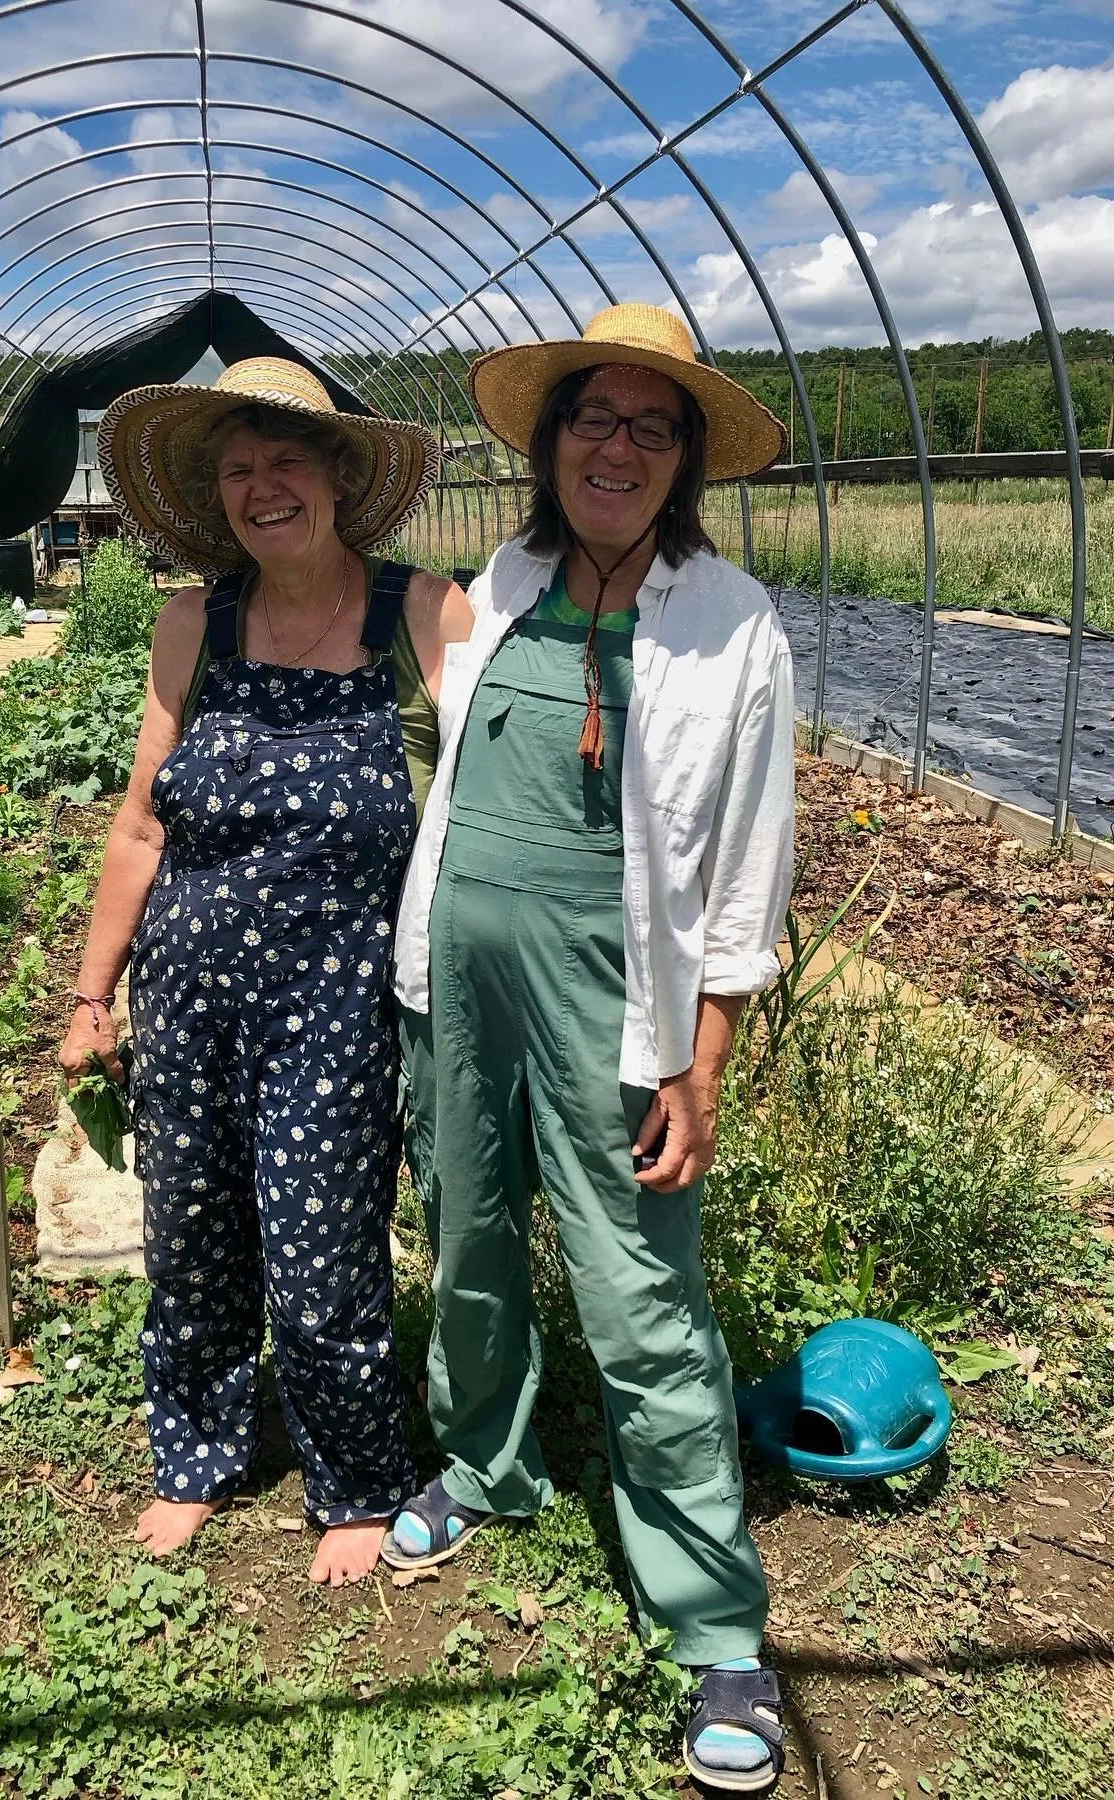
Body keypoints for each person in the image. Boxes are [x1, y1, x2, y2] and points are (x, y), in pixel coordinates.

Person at [386, 304, 795, 1788]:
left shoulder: (729, 619)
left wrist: (704, 1056)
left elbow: (746, 865)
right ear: (548, 441)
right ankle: (486, 1467)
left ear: (683, 460)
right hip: (460, 979)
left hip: (615, 998)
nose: (614, 446)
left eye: (650, 425)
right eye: (590, 419)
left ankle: (714, 1627)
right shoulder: (500, 582)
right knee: (470, 1236)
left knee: (639, 1289)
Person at [59, 356, 471, 1587]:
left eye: (287, 458)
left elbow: (498, 794)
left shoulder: (422, 612)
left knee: (326, 1245)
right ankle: (194, 1457)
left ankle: (353, 1478)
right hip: (186, 994)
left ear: (342, 473)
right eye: (238, 470)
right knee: (189, 1235)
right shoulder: (196, 620)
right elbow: (140, 825)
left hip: (336, 1002)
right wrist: (93, 995)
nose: (263, 486)